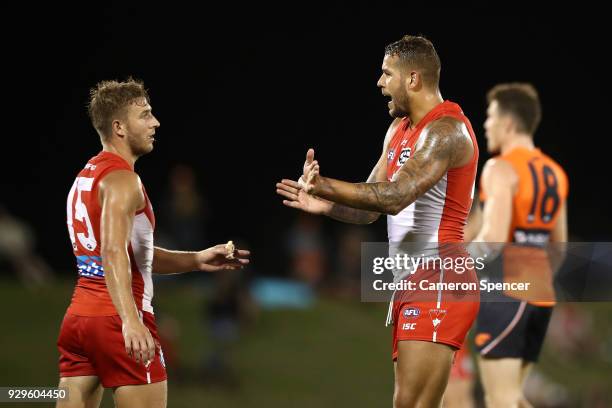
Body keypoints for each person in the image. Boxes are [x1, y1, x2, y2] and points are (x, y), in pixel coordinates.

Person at [276, 35, 479, 408]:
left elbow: (397, 195)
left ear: (413, 79)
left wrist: (327, 185)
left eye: (387, 74)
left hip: (439, 276)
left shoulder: (446, 131)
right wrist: (326, 204)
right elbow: (370, 206)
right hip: (413, 280)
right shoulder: (399, 130)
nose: (380, 83)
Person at [56, 78, 249, 408]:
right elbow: (113, 251)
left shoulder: (85, 177)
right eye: (144, 115)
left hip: (80, 320)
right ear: (119, 127)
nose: (155, 122)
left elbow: (128, 253)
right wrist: (131, 322)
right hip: (119, 318)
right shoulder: (123, 181)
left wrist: (196, 259)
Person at [468, 83, 568, 407]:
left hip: (506, 290)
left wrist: (449, 267)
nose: (486, 124)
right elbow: (559, 247)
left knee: (501, 400)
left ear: (508, 123)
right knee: (515, 398)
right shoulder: (555, 173)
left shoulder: (499, 167)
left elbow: (492, 238)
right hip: (540, 292)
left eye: (490, 116)